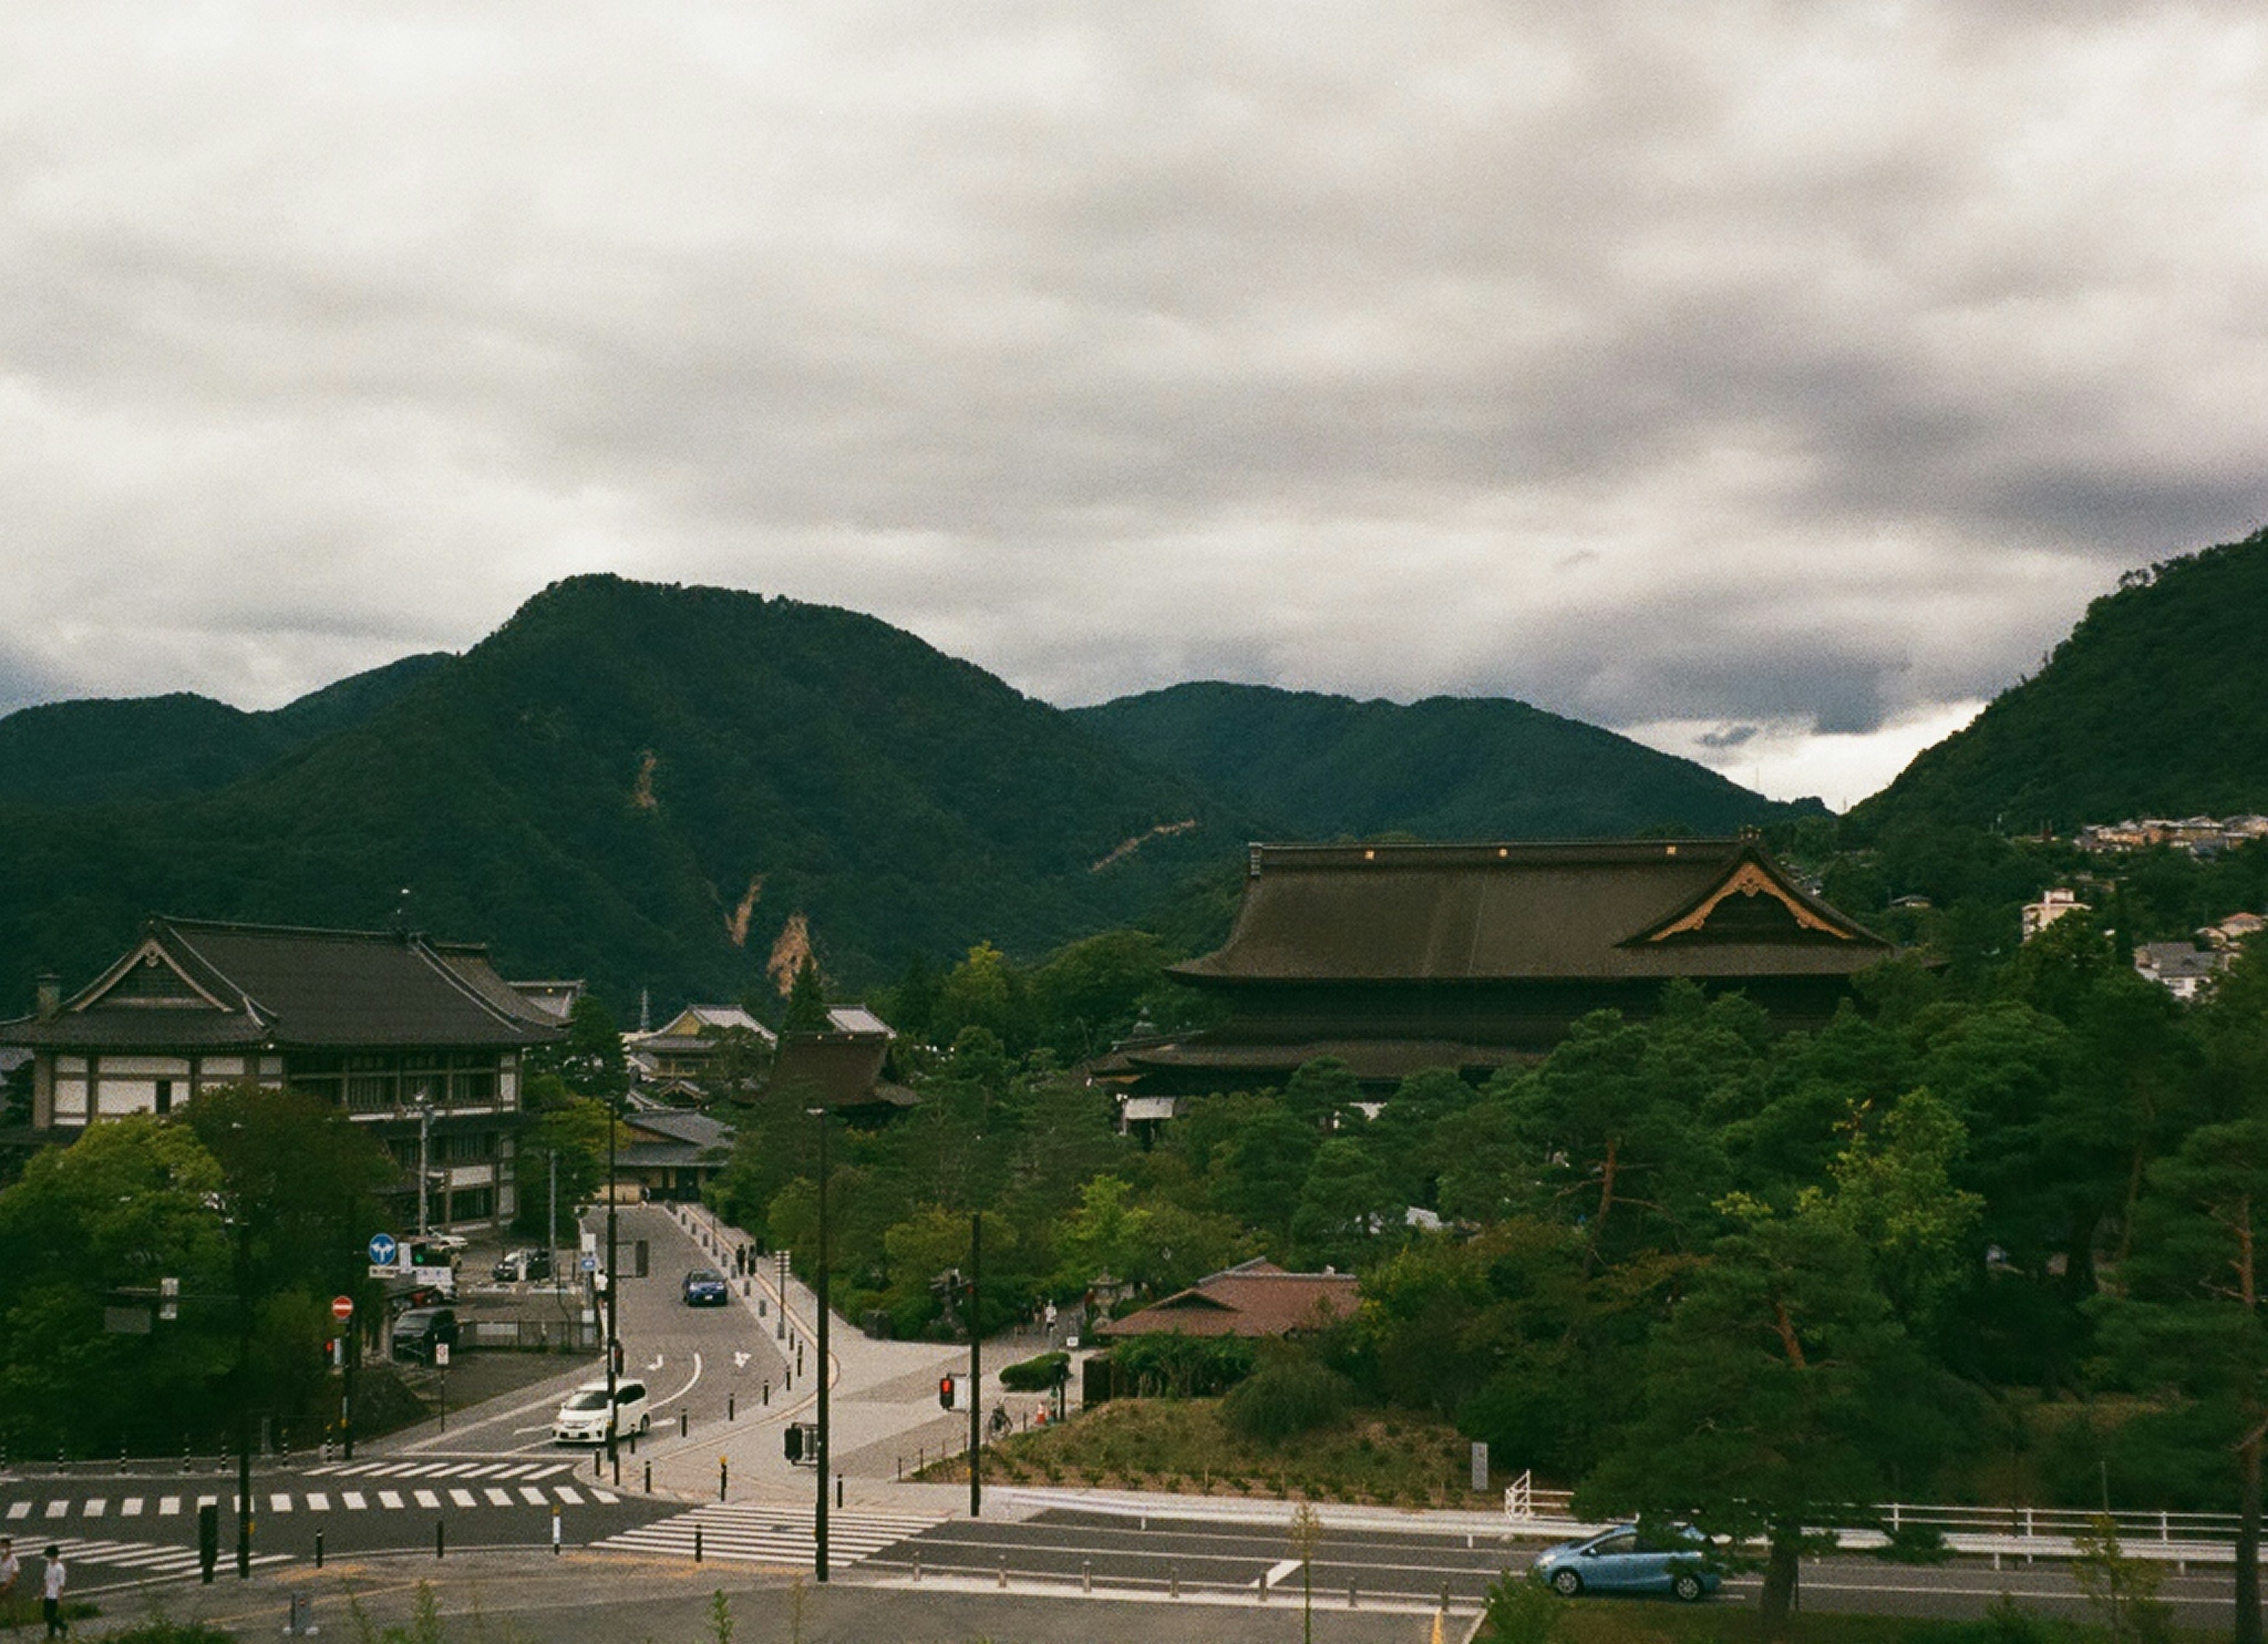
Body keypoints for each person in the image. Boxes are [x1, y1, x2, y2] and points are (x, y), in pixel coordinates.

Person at [39, 1545, 64, 1638]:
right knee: (47, 1616)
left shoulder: (60, 1568)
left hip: (55, 1595)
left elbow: (62, 1585)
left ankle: (61, 1627)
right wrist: (42, 1592)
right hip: (48, 1594)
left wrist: (60, 1598)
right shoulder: (49, 1565)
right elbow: (47, 1580)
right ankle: (52, 1633)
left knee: (51, 1616)